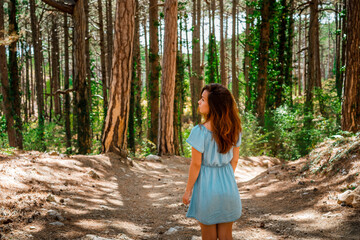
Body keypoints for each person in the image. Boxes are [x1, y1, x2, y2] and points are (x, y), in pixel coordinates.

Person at [182, 83, 242, 240]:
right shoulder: (234, 130)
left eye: (203, 99)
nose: (198, 102)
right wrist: (225, 180)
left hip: (207, 190)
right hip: (229, 187)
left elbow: (195, 165)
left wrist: (188, 191)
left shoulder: (199, 131)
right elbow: (234, 161)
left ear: (214, 105)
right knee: (226, 236)